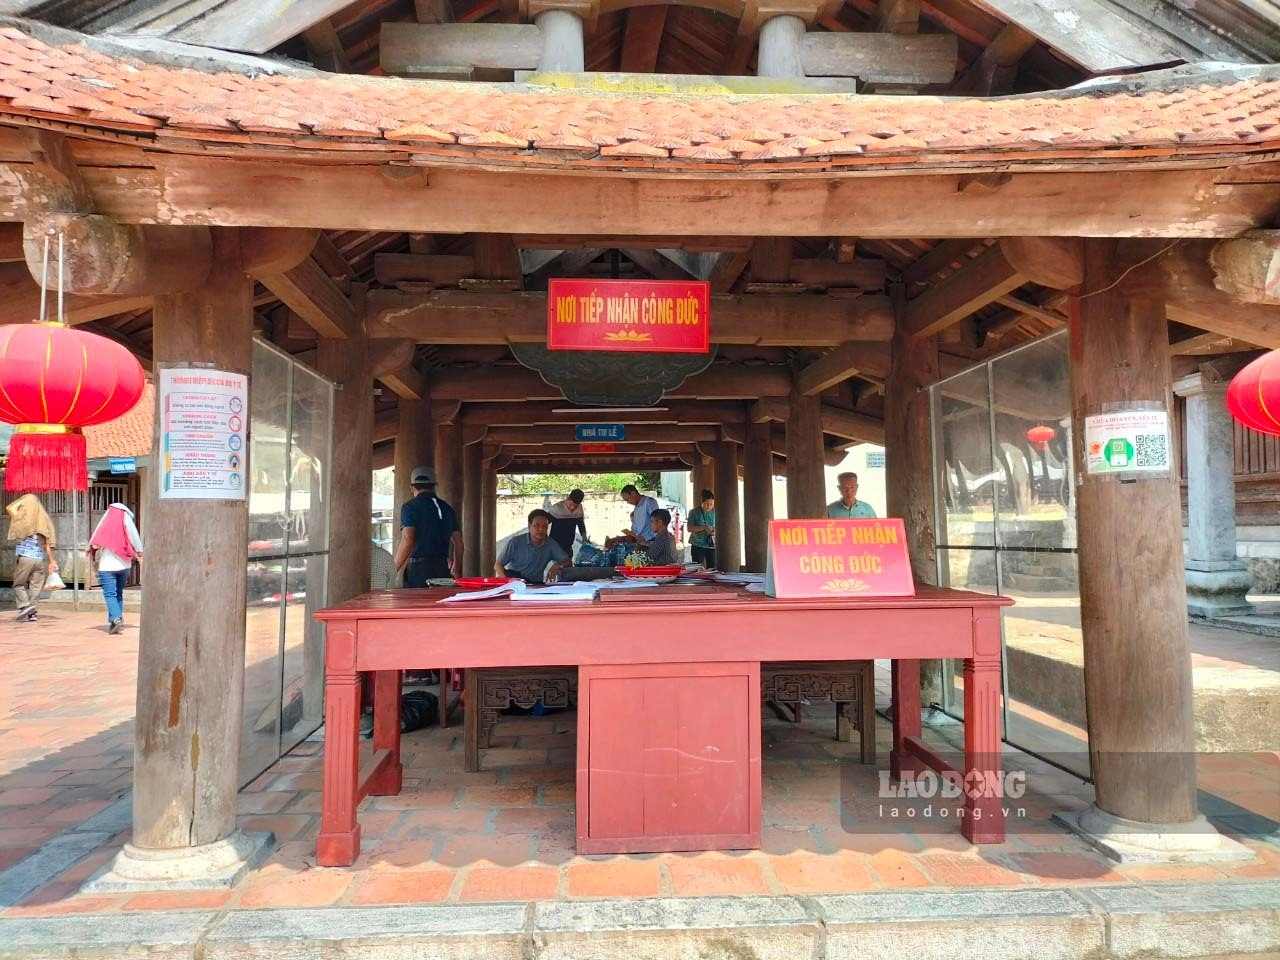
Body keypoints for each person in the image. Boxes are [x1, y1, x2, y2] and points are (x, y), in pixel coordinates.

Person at [394, 466, 463, 586]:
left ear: (412, 487)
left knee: (419, 604)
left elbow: (407, 539)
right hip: (442, 568)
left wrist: (393, 569)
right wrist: (457, 570)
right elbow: (459, 543)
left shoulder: (410, 507)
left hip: (419, 571)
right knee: (440, 603)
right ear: (434, 486)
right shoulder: (447, 508)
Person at [88, 502, 142, 633]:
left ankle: (116, 618)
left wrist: (91, 546)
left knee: (110, 594)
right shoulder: (126, 518)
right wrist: (140, 551)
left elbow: (95, 537)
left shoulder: (106, 520)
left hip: (107, 566)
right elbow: (134, 536)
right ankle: (115, 620)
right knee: (118, 593)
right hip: (124, 565)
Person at [5, 494, 57, 623]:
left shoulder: (21, 521)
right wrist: (51, 561)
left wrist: (21, 503)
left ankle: (25, 606)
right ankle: (32, 614)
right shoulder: (43, 522)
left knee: (18, 584)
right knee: (35, 586)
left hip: (25, 559)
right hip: (39, 560)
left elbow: (10, 508)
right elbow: (47, 544)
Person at [496, 509, 569, 583]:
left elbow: (567, 561)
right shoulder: (515, 542)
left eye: (544, 526)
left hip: (536, 585)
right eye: (536, 526)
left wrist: (558, 565)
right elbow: (498, 565)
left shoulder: (551, 544)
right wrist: (506, 581)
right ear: (529, 526)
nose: (541, 529)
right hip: (515, 583)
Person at [607, 484, 658, 548]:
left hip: (650, 542)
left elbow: (657, 522)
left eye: (628, 499)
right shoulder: (636, 508)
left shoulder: (649, 502)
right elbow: (637, 530)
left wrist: (648, 539)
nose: (628, 502)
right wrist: (628, 535)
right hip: (640, 542)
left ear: (633, 493)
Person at [548, 488, 587, 555]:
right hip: (555, 544)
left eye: (575, 506)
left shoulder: (580, 508)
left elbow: (581, 525)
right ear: (568, 498)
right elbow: (544, 523)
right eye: (571, 505)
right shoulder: (557, 508)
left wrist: (584, 537)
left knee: (568, 563)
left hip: (568, 545)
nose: (572, 508)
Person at [686, 489, 716, 569]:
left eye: (711, 504)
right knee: (697, 568)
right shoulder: (693, 512)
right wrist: (704, 527)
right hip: (697, 545)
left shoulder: (715, 512)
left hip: (711, 545)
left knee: (712, 568)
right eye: (707, 504)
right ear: (702, 502)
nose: (709, 506)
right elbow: (689, 528)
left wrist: (713, 531)